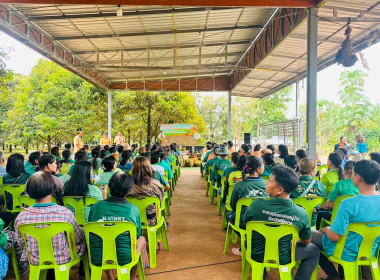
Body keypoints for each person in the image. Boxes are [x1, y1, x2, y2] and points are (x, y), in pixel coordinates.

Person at [243, 165, 319, 280]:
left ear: (280, 190)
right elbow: (306, 241)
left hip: (255, 252)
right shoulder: (301, 213)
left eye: (269, 181)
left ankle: (260, 273)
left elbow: (245, 224)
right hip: (284, 255)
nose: (266, 182)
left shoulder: (256, 204)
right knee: (313, 251)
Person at [311, 160, 380, 280]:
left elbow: (334, 236)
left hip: (345, 252)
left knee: (309, 235)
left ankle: (334, 276)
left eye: (352, 174)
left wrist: (327, 230)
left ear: (358, 178)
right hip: (371, 250)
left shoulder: (348, 204)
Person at [15, 172, 85, 272]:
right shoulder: (65, 213)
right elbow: (76, 239)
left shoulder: (21, 217)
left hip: (36, 259)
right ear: (52, 189)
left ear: (29, 192)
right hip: (62, 258)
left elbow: (21, 242)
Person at [88, 172, 149, 280]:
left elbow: (91, 230)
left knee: (104, 241)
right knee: (142, 239)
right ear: (129, 189)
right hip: (125, 257)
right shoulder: (132, 209)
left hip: (98, 255)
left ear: (110, 186)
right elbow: (137, 234)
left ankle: (111, 278)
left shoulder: (96, 207)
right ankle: (131, 277)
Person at [228, 156, 268, 244]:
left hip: (244, 221)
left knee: (229, 216)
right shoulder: (267, 184)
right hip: (265, 219)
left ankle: (246, 238)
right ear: (258, 169)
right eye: (263, 165)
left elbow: (233, 206)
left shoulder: (239, 185)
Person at [128, 156, 165, 226]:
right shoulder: (156, 184)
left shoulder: (127, 185)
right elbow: (160, 200)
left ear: (133, 168)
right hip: (152, 220)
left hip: (132, 219)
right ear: (149, 168)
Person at [290, 157, 326, 227]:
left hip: (295, 221)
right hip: (311, 222)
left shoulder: (293, 185)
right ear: (312, 171)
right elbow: (321, 203)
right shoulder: (320, 186)